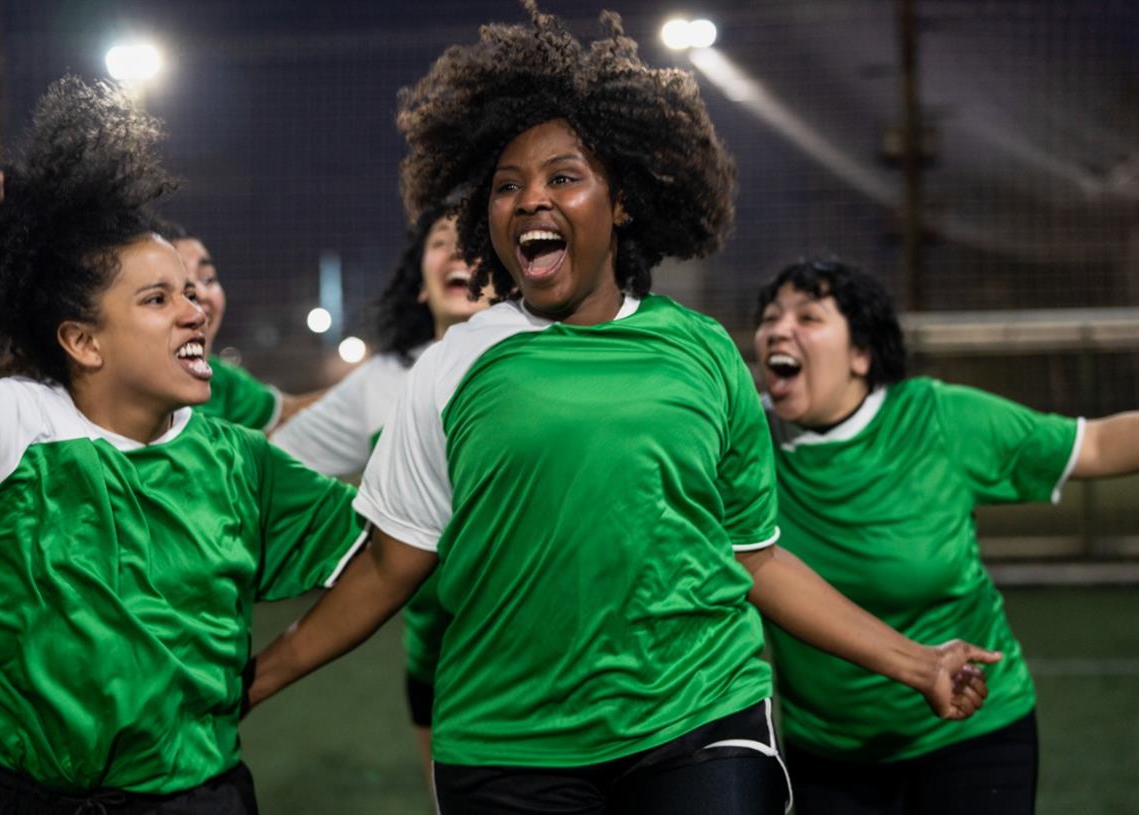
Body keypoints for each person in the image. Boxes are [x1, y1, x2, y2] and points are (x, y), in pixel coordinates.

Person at [246, 6, 997, 813]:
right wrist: (259, 677)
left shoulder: (705, 352)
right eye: (506, 186)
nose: (530, 199)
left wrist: (913, 661)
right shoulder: (453, 364)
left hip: (699, 714)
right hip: (509, 739)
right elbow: (393, 563)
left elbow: (755, 556)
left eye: (563, 177)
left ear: (624, 203)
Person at [0, 78, 365, 813]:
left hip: (196, 797)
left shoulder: (238, 457)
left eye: (191, 290)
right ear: (83, 340)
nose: (195, 311)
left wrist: (272, 669)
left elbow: (389, 551)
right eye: (158, 298)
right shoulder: (5, 423)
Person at [753, 258, 1139, 815]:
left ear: (861, 355)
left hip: (973, 735)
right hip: (828, 753)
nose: (778, 330)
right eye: (770, 317)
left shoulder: (938, 419)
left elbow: (1096, 445)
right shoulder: (744, 441)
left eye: (808, 317)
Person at [271, 200, 488, 774]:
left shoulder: (545, 362)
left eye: (473, 240)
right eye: (440, 241)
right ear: (420, 284)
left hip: (535, 654)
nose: (458, 250)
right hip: (434, 661)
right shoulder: (383, 381)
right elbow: (268, 462)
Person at [160, 221, 322, 432]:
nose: (199, 293)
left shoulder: (220, 379)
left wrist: (370, 383)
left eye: (208, 278)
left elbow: (289, 414)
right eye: (157, 296)